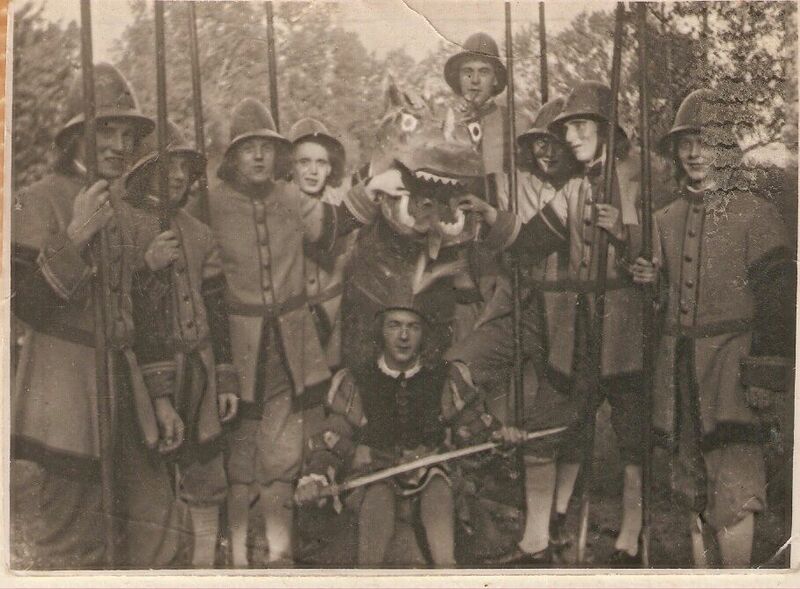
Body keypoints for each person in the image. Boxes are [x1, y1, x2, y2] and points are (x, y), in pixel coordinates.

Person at [463, 81, 649, 566]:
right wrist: (493, 217)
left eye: (581, 126)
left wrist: (623, 232)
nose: (570, 137)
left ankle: (631, 536)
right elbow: (531, 240)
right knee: (552, 424)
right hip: (581, 331)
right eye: (568, 129)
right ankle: (539, 538)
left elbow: (658, 250)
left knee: (632, 437)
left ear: (606, 129)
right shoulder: (575, 187)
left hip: (626, 331)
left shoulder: (638, 177)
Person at [11, 63, 188, 568]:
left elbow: (140, 313)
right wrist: (76, 236)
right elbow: (24, 305)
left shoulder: (129, 207)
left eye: (127, 134)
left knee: (156, 530)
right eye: (105, 130)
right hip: (65, 395)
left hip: (126, 390)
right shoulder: (35, 201)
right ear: (74, 137)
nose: (119, 144)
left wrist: (161, 398)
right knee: (74, 539)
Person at [206, 98, 387, 566]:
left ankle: (279, 555)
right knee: (240, 458)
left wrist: (377, 184)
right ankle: (239, 560)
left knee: (283, 456)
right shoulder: (210, 203)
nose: (259, 156)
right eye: (248, 148)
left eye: (267, 147)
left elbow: (335, 226)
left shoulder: (290, 198)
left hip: (291, 344)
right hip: (237, 345)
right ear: (233, 156)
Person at [630, 89, 794, 567]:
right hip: (679, 375)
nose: (695, 153)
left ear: (726, 146)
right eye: (686, 143)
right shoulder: (664, 218)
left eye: (706, 141)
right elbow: (660, 305)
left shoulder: (756, 213)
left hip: (733, 373)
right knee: (691, 485)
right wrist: (650, 283)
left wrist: (764, 375)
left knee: (736, 487)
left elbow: (780, 305)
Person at [449, 97, 582, 565]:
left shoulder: (584, 188)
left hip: (567, 312)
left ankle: (541, 533)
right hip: (518, 302)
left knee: (552, 417)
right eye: (539, 143)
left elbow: (539, 239)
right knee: (462, 368)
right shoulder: (517, 182)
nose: (547, 152)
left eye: (556, 143)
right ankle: (464, 485)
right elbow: (477, 180)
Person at [294, 299, 525, 567]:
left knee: (437, 486)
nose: (403, 336)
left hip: (433, 476)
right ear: (380, 330)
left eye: (413, 327)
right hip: (375, 476)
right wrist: (316, 477)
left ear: (424, 333)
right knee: (378, 496)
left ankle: (447, 572)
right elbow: (334, 435)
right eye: (394, 325)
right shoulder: (357, 379)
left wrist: (501, 438)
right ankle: (368, 576)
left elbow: (473, 427)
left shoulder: (444, 376)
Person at [123, 121, 240, 568]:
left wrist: (224, 374)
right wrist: (146, 266)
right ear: (145, 170)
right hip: (146, 371)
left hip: (200, 368)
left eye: (184, 167)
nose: (176, 175)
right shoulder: (127, 226)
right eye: (166, 165)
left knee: (205, 469)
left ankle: (203, 565)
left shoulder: (200, 232)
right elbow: (132, 311)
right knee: (154, 472)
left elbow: (216, 307)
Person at [288, 117, 354, 373]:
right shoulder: (280, 204)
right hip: (295, 318)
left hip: (335, 314)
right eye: (304, 162)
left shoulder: (343, 207)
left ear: (330, 168)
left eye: (321, 162)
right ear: (290, 166)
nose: (313, 171)